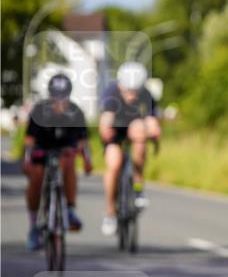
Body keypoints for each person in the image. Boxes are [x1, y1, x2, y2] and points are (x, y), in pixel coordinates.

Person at [22, 73, 93, 250]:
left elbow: (83, 140)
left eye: (64, 97)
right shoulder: (39, 110)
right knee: (36, 178)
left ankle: (69, 208)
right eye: (56, 97)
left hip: (64, 152)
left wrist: (87, 160)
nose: (60, 102)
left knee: (68, 163)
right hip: (42, 152)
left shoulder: (76, 112)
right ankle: (34, 225)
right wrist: (26, 160)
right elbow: (29, 139)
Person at [98, 61, 160, 236]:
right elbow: (105, 122)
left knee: (140, 134)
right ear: (120, 85)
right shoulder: (111, 93)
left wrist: (154, 133)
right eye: (128, 91)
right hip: (114, 130)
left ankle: (138, 189)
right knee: (114, 164)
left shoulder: (146, 94)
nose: (132, 96)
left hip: (134, 127)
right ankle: (110, 213)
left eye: (135, 91)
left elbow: (152, 121)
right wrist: (107, 131)